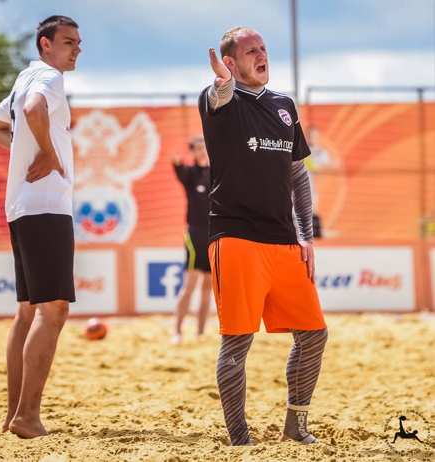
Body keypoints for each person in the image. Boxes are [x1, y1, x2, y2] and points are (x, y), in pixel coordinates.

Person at [198, 26, 328, 446]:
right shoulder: (220, 100)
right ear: (230, 62)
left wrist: (306, 236)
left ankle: (296, 426)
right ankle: (240, 440)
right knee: (238, 341)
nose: (261, 54)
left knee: (313, 334)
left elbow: (298, 176)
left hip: (285, 241)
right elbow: (219, 94)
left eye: (263, 48)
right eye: (250, 50)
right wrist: (222, 82)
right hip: (235, 236)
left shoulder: (283, 105)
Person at [0, 15, 81, 439]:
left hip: (21, 206)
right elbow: (33, 110)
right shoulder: (48, 77)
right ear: (46, 44)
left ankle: (14, 416)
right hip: (45, 205)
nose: (77, 49)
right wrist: (47, 152)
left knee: (27, 310)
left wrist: (27, 150)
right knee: (54, 309)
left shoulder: (23, 77)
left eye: (78, 42)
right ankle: (27, 416)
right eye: (68, 42)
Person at [170, 135, 213, 344]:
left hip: (214, 234)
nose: (202, 151)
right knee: (190, 284)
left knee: (207, 287)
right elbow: (178, 166)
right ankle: (177, 331)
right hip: (195, 233)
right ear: (193, 151)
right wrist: (176, 162)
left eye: (205, 147)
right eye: (198, 148)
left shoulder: (216, 172)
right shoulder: (189, 173)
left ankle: (200, 333)